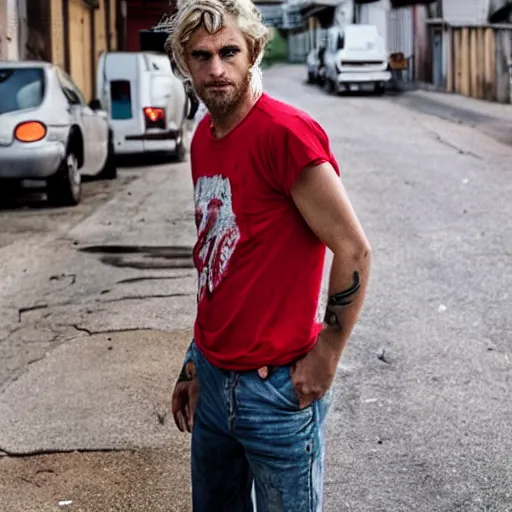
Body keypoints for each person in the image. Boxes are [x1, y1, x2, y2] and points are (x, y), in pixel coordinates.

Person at [166, 1, 372, 510]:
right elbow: (214, 264)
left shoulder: (286, 135)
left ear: (254, 51)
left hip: (275, 395)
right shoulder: (203, 138)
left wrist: (325, 356)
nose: (216, 69)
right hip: (213, 387)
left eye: (228, 52)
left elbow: (353, 249)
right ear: (184, 64)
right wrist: (194, 363)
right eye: (201, 56)